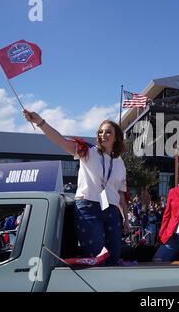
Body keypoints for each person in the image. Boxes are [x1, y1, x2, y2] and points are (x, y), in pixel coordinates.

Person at [23, 110, 128, 265]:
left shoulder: (120, 162)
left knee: (114, 255)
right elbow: (61, 141)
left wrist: (125, 218)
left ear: (117, 137)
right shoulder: (88, 151)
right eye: (100, 132)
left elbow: (120, 193)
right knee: (96, 257)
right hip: (89, 206)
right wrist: (40, 122)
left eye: (108, 132)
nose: (103, 135)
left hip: (111, 210)